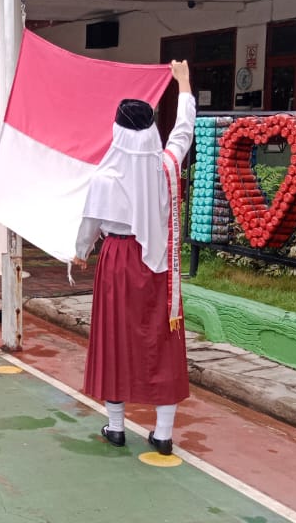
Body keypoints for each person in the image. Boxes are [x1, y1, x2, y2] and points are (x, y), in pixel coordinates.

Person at [72, 60, 194, 456]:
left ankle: (116, 425)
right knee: (161, 341)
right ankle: (162, 433)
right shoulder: (165, 168)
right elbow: (183, 132)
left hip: (118, 261)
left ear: (116, 132)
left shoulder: (104, 177)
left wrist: (79, 254)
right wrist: (185, 84)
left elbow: (89, 228)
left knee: (115, 340)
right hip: (156, 263)